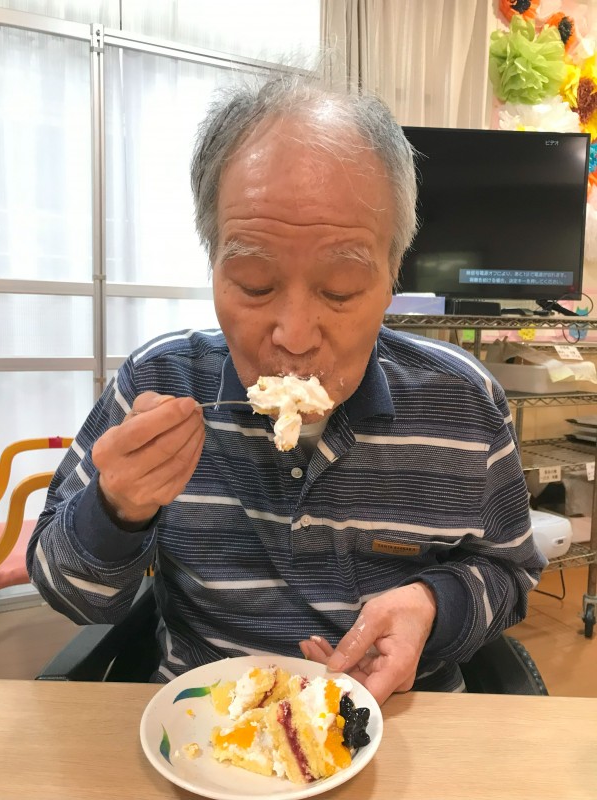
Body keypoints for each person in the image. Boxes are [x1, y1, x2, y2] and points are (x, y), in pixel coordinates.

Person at [27, 74, 546, 702]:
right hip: (206, 731)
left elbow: (511, 573)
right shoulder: (159, 382)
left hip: (405, 724)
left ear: (392, 276)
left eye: (340, 290)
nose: (295, 336)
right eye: (254, 284)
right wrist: (116, 510)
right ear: (212, 265)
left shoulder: (463, 401)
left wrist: (432, 606)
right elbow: (70, 593)